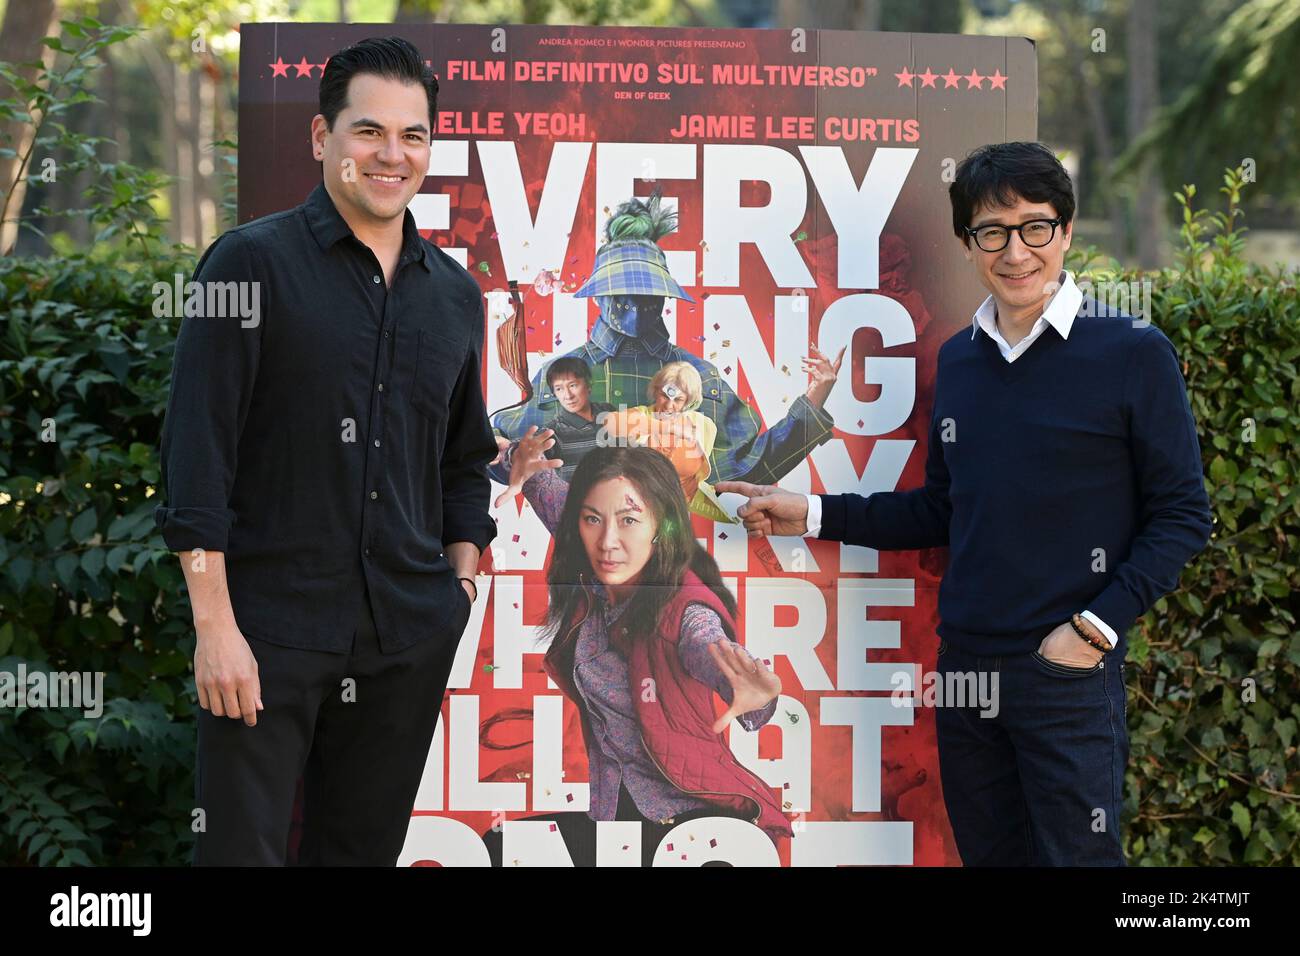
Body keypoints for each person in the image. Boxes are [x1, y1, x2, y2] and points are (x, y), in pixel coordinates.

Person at [718, 141, 1213, 867]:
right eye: (993, 231)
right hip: (967, 672)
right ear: (967, 244)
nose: (1016, 251)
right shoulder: (959, 359)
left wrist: (1094, 630)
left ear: (1067, 231)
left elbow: (1183, 515)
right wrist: (813, 512)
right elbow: (943, 511)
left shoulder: (1132, 352)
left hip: (1066, 674)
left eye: (1035, 227)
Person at [154, 37, 497, 866]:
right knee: (239, 856)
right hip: (264, 634)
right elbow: (197, 457)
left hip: (405, 638)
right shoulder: (249, 264)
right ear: (322, 139)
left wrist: (458, 586)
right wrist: (216, 629)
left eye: (413, 136)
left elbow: (462, 462)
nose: (392, 155)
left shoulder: (456, 297)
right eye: (369, 131)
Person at [481, 438, 793, 865]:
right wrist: (516, 454)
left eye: (629, 520)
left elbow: (706, 644)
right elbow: (540, 479)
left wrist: (748, 686)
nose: (608, 541)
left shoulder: (684, 607)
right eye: (593, 519)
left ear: (660, 525)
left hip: (690, 826)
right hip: (616, 819)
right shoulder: (592, 558)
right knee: (502, 847)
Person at [490, 189, 844, 486]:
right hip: (581, 557)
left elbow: (750, 469)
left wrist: (813, 401)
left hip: (673, 555)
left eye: (645, 296)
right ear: (598, 295)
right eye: (620, 295)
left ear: (663, 296)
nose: (633, 308)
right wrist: (500, 453)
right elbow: (505, 454)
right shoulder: (561, 375)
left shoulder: (697, 378)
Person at [534, 356, 614, 483]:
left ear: (588, 385)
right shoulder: (553, 432)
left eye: (573, 385)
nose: (568, 396)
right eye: (559, 389)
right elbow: (525, 450)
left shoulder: (608, 411)